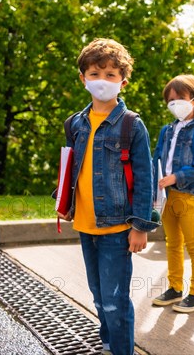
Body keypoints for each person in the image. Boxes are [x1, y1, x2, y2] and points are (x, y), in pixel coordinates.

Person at [57, 38, 159, 355]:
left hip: (117, 228)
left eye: (111, 74)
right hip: (86, 225)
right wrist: (63, 201)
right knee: (98, 293)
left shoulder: (131, 125)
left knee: (115, 299)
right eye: (95, 73)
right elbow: (72, 168)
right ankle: (107, 342)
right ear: (83, 78)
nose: (102, 80)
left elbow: (146, 178)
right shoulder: (75, 123)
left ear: (123, 81)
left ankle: (121, 350)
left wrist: (141, 226)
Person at [151, 74, 194, 313]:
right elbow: (156, 158)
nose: (174, 104)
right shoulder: (166, 130)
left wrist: (178, 176)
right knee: (172, 244)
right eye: (170, 100)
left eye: (179, 98)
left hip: (188, 196)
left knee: (193, 245)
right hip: (166, 196)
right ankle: (174, 288)